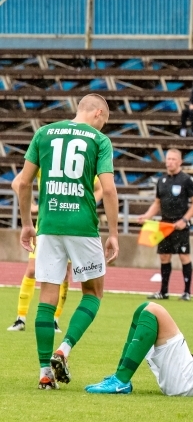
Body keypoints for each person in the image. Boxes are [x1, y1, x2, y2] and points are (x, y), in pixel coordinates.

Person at [18, 94, 120, 389]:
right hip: (83, 226)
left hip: (48, 225)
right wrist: (113, 232)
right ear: (99, 113)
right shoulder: (99, 141)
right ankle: (63, 349)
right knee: (93, 293)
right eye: (105, 122)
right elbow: (109, 190)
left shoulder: (44, 133)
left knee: (47, 296)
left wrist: (27, 224)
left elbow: (23, 183)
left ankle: (44, 373)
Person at [7, 176, 102, 332]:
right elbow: (17, 182)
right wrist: (32, 205)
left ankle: (55, 320)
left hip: (73, 225)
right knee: (32, 270)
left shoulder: (80, 160)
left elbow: (100, 188)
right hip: (46, 225)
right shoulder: (47, 157)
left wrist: (87, 204)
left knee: (64, 273)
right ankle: (20, 318)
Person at [137, 149, 193, 301]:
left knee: (184, 256)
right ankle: (164, 291)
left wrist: (184, 220)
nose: (170, 162)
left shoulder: (186, 180)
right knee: (164, 256)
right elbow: (157, 203)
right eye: (168, 159)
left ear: (179, 162)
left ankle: (187, 292)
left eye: (173, 159)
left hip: (180, 225)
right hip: (164, 225)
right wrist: (147, 216)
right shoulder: (162, 181)